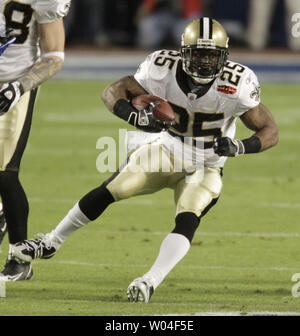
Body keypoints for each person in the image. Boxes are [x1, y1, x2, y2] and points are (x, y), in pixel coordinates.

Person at [12, 17, 278, 302]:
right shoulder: (161, 68)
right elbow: (112, 91)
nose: (203, 62)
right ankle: (51, 241)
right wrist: (133, 115)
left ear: (224, 57)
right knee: (113, 189)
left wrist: (240, 146)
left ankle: (149, 281)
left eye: (211, 55)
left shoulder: (236, 84)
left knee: (188, 217)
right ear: (182, 52)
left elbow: (269, 131)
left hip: (207, 163)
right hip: (167, 149)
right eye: (198, 54)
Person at [0, 0, 70, 281]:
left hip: (13, 86)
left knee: (4, 172)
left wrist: (18, 87)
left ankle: (19, 256)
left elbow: (54, 55)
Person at [136, 0, 203, 49]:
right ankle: (147, 56)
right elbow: (144, 10)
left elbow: (193, 13)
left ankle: (185, 56)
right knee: (147, 25)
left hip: (181, 18)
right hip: (162, 17)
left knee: (188, 29)